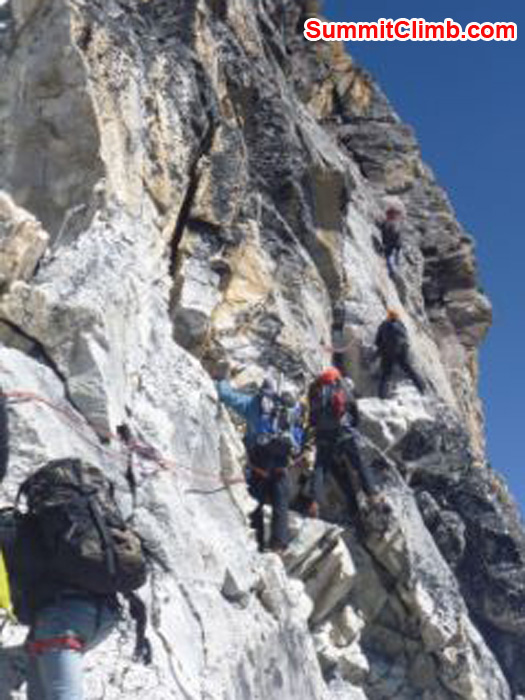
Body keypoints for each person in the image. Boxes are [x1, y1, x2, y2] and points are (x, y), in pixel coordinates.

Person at [216, 374, 303, 553]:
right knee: (281, 502)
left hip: (259, 461)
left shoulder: (255, 404)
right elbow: (298, 438)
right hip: (281, 463)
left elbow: (227, 396)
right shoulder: (291, 410)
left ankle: (257, 545)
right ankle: (279, 543)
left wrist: (222, 380)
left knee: (255, 501)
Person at [306, 367, 378, 521]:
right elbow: (354, 410)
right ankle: (373, 495)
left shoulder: (315, 392)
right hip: (344, 433)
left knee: (320, 468)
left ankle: (315, 502)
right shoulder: (340, 388)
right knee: (359, 463)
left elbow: (312, 419)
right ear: (335, 378)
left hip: (324, 437)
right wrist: (352, 425)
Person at [375, 310, 425, 399]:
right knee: (409, 370)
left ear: (388, 317)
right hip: (402, 352)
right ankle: (421, 386)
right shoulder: (401, 325)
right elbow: (406, 339)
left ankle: (382, 395)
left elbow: (377, 341)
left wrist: (380, 351)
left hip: (388, 353)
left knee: (386, 374)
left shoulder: (384, 325)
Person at [380, 206, 403, 277]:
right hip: (396, 243)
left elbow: (385, 233)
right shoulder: (396, 223)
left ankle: (392, 271)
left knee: (390, 256)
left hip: (392, 243)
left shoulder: (388, 223)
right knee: (395, 257)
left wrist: (385, 243)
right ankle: (394, 270)